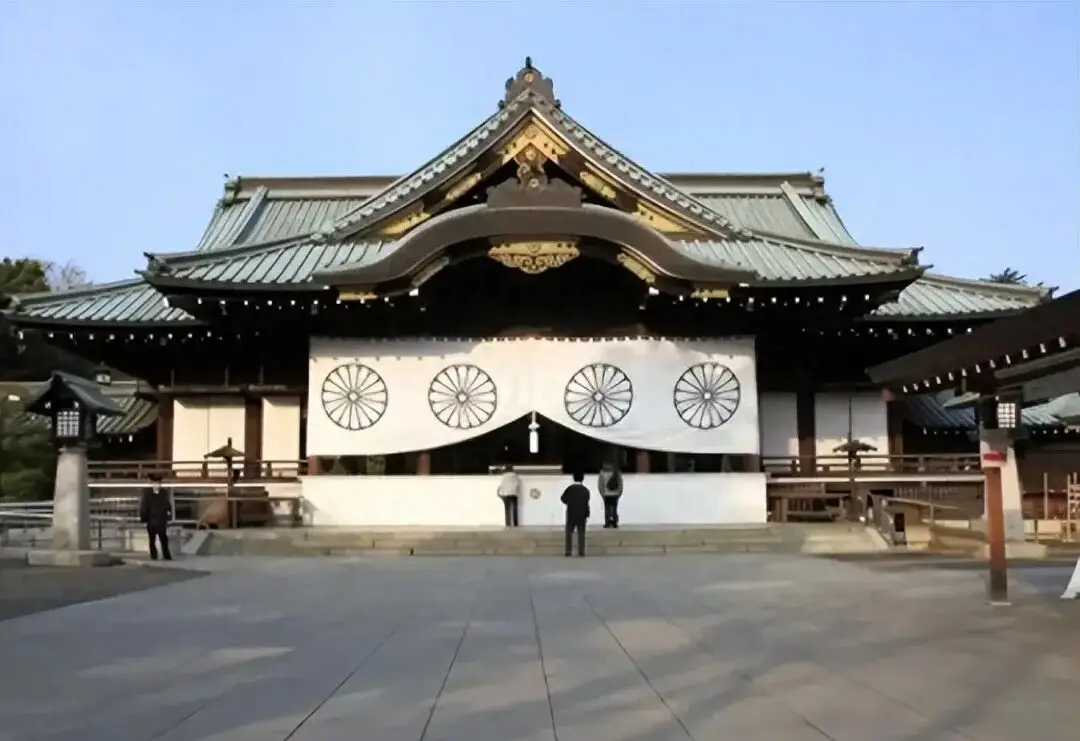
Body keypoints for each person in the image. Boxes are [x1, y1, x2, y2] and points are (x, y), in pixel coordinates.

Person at [139, 474, 173, 560]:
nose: (156, 485)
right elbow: (144, 506)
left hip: (161, 520)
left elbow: (167, 505)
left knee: (164, 539)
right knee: (152, 539)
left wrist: (168, 516)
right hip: (151, 520)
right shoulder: (147, 494)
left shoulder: (164, 493)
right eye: (154, 483)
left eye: (158, 483)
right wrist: (143, 518)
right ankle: (154, 555)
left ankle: (166, 555)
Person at [560, 471, 590, 557]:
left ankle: (568, 551)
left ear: (573, 478)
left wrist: (569, 502)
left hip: (571, 513)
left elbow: (562, 498)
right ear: (582, 479)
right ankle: (581, 551)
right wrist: (587, 514)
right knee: (581, 533)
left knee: (569, 532)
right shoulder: (585, 490)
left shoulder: (570, 489)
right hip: (582, 514)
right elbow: (587, 503)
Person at [597, 461, 624, 529]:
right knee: (614, 509)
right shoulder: (617, 471)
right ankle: (615, 522)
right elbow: (620, 483)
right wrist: (619, 492)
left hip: (606, 494)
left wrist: (602, 493)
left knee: (607, 509)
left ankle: (607, 522)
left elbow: (600, 485)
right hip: (615, 494)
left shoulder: (602, 472)